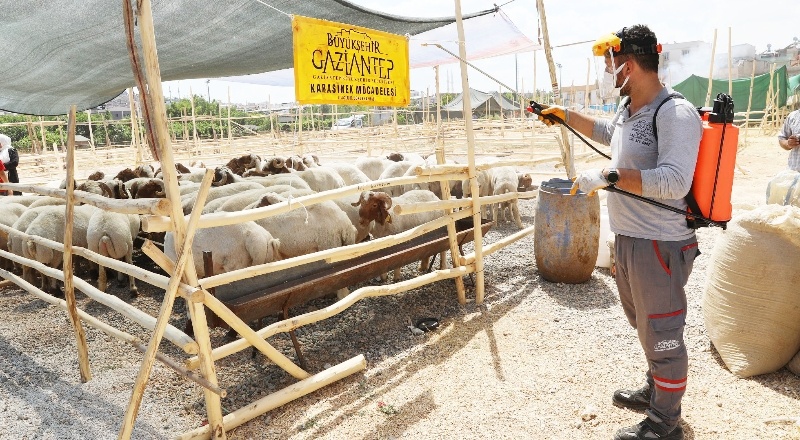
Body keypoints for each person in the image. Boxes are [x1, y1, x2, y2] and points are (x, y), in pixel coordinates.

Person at [537, 25, 702, 440]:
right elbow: (612, 137)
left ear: (627, 65)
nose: (608, 75)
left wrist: (609, 176)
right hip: (631, 239)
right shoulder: (631, 110)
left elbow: (675, 181)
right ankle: (655, 390)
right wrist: (564, 115)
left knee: (663, 332)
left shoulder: (675, 113)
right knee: (645, 324)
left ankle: (666, 424)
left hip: (660, 243)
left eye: (610, 66)